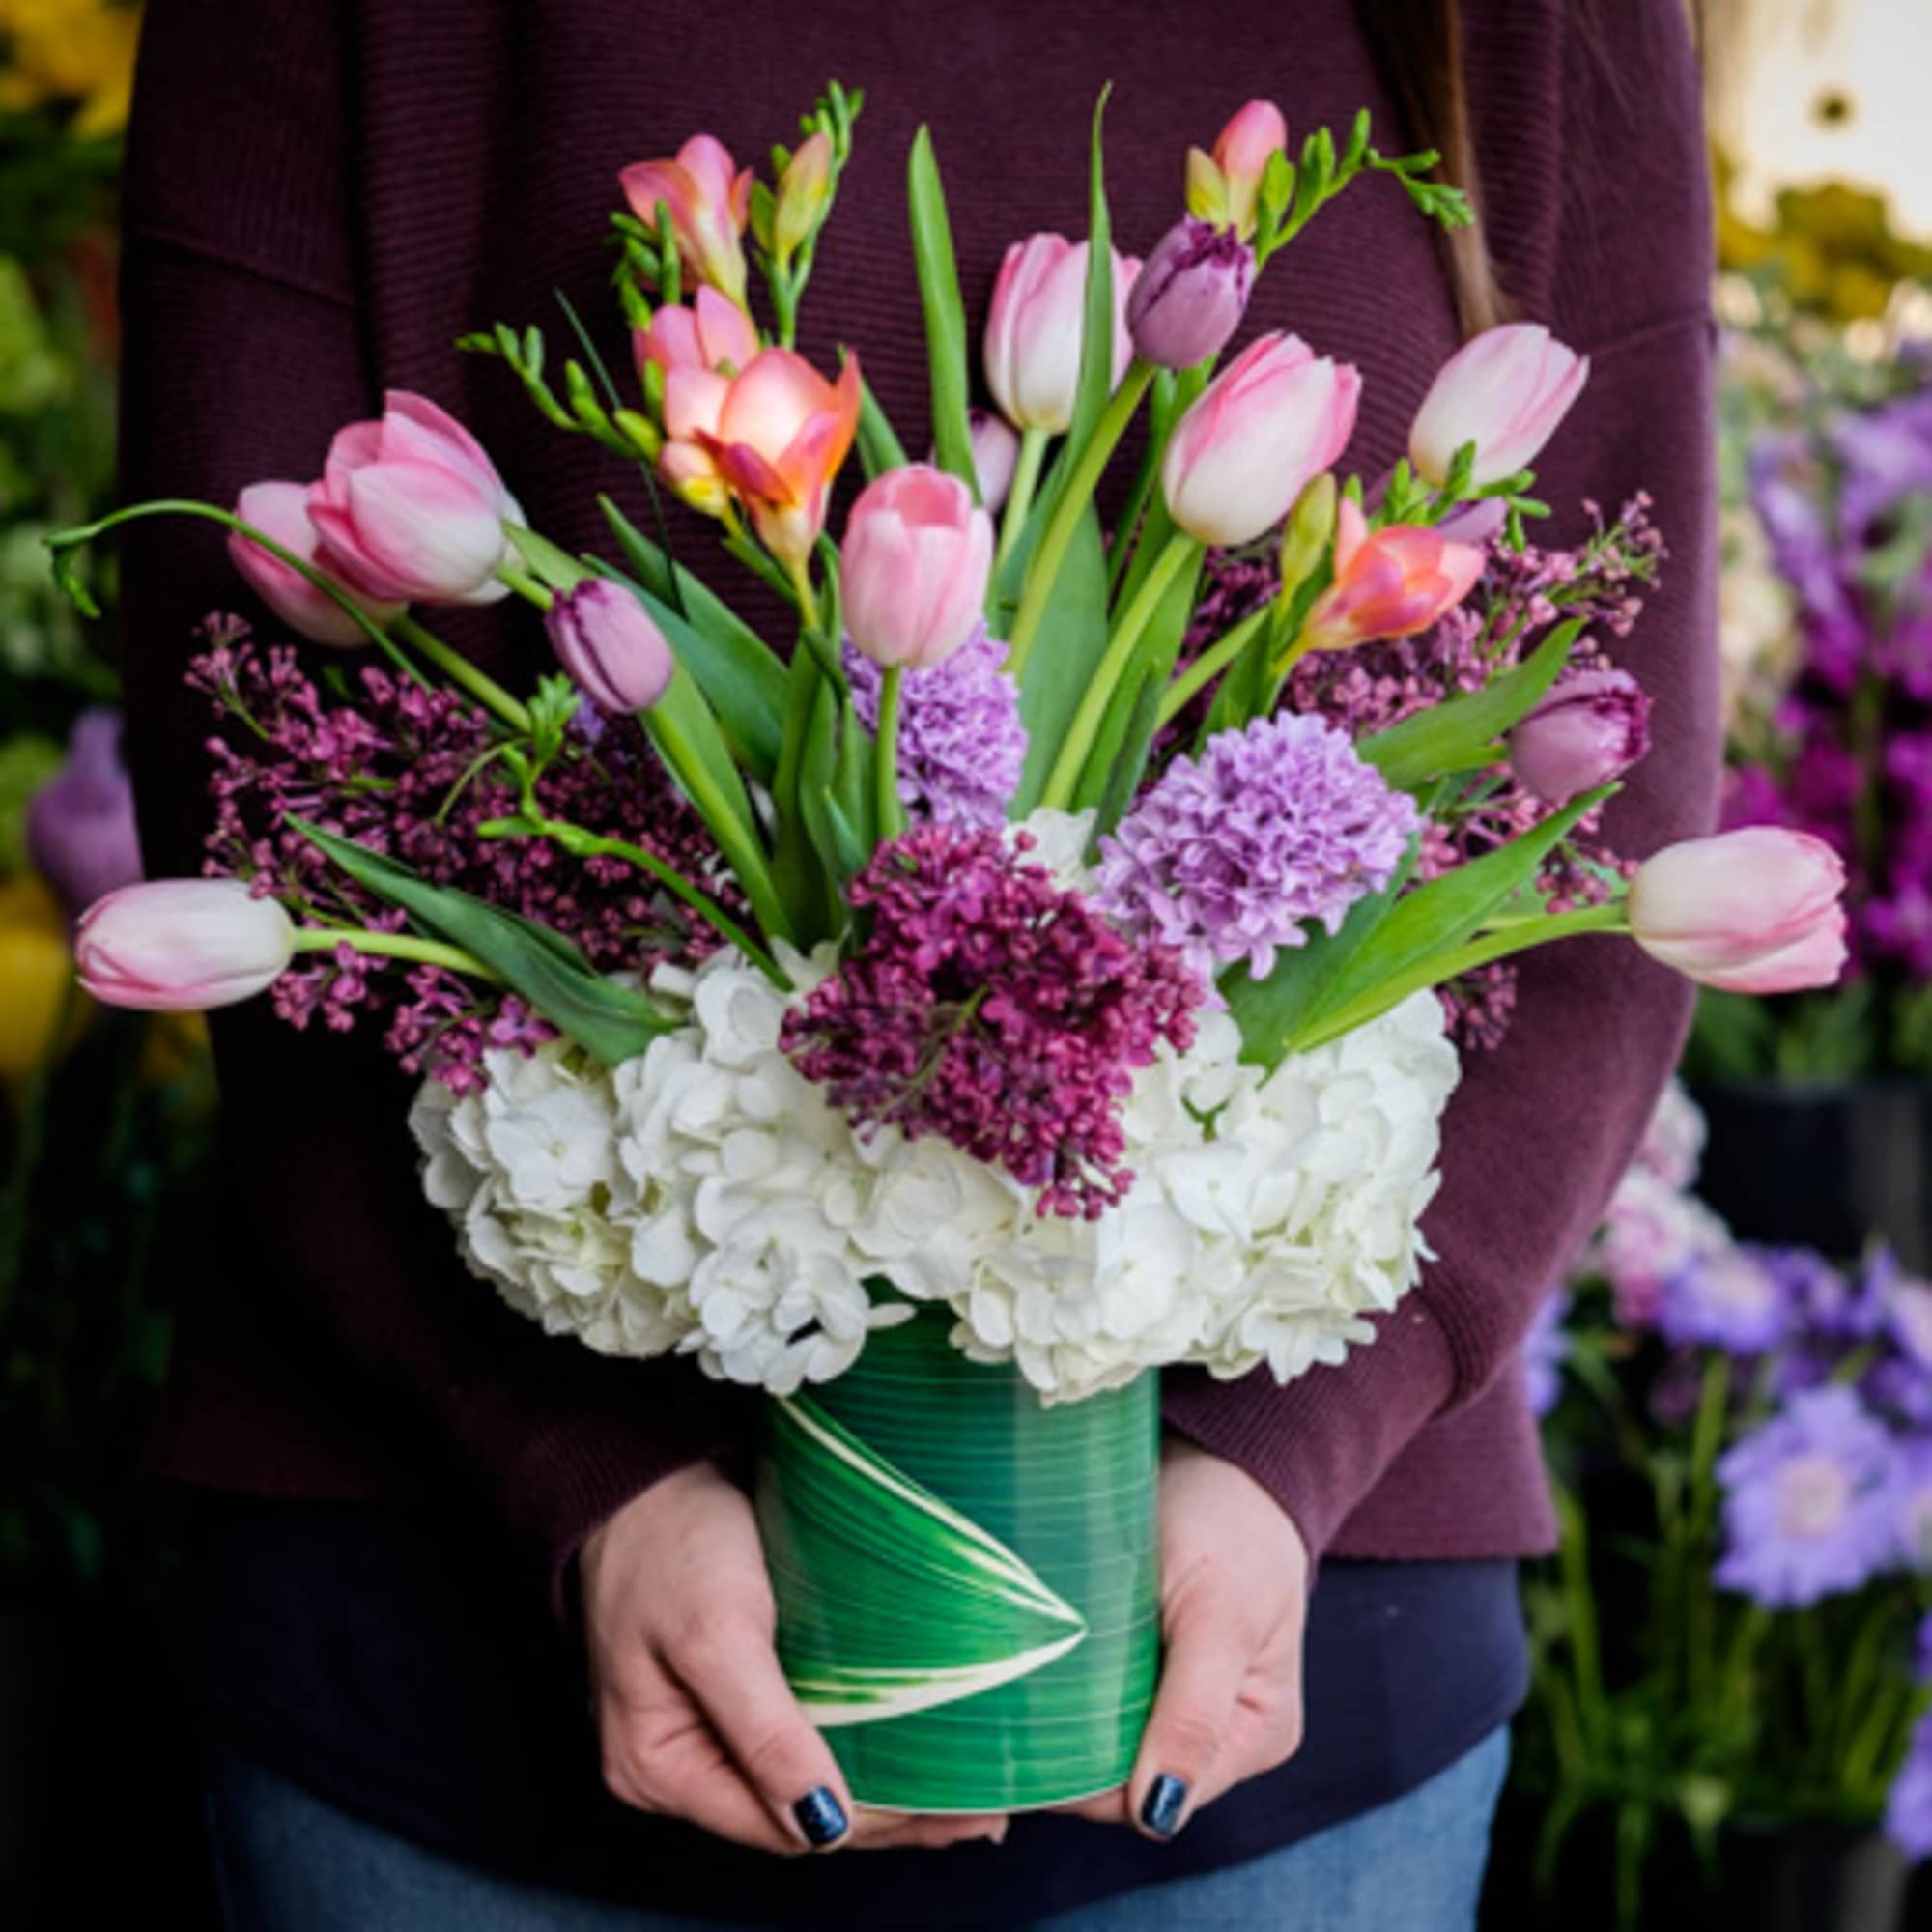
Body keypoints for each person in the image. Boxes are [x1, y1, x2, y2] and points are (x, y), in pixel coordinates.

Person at [115, 1, 1720, 1926]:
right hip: (463, 1673)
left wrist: (1288, 1452)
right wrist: (580, 1479)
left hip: (1266, 1695)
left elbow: (1600, 834)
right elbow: (270, 808)